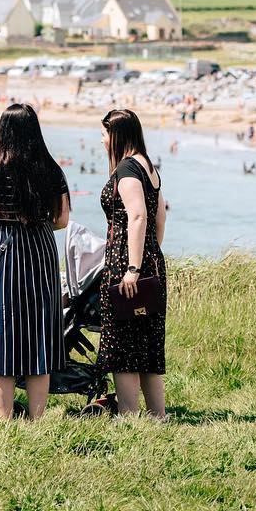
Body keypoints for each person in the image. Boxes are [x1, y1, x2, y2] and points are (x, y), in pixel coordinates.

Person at [0, 104, 69, 420]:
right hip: (40, 250)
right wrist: (35, 224)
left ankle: (5, 419)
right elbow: (62, 219)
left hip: (2, 253)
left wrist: (4, 223)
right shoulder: (52, 170)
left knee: (2, 335)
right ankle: (37, 419)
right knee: (40, 335)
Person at [97, 108, 168, 418]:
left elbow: (138, 216)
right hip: (150, 259)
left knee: (122, 342)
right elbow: (160, 216)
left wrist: (133, 268)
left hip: (127, 264)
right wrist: (152, 254)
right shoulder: (148, 167)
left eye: (103, 134)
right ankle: (158, 414)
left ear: (116, 135)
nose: (101, 141)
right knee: (148, 343)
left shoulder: (127, 169)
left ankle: (128, 415)